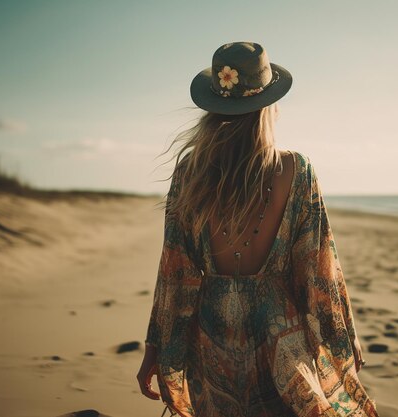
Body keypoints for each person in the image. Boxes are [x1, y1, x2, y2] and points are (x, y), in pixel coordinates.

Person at [137, 42, 379, 417]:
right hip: (279, 335)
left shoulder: (189, 172)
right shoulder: (295, 170)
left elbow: (175, 272)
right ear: (268, 106)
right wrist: (342, 336)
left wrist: (156, 348)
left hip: (211, 333)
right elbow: (318, 270)